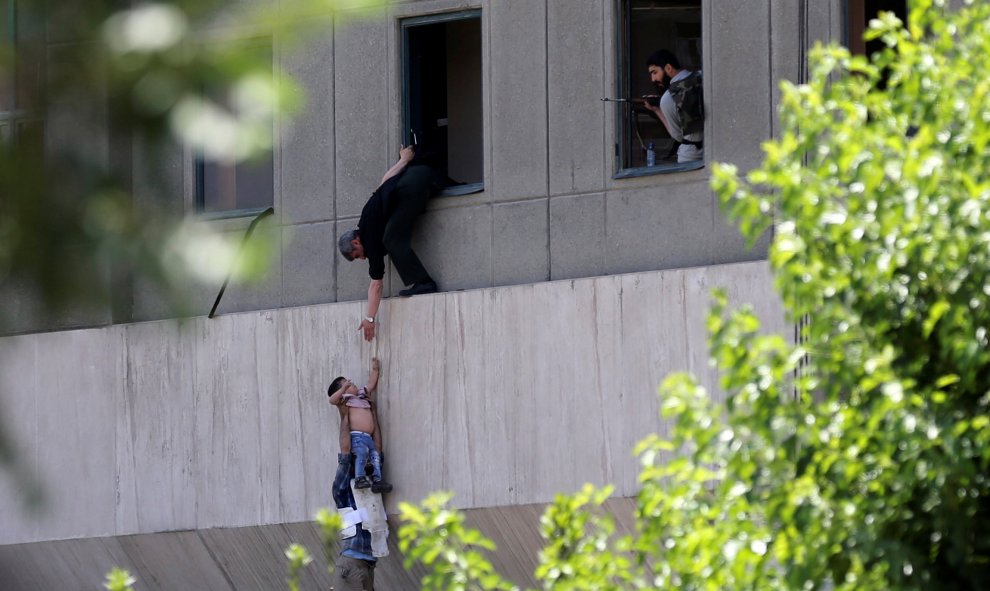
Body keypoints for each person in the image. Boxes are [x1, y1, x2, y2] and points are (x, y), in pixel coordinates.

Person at [338, 145, 444, 342]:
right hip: (417, 175)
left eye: (357, 254)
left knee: (391, 239)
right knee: (390, 234)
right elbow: (384, 182)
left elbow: (376, 285)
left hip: (416, 182)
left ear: (356, 241)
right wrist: (403, 160)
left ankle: (424, 283)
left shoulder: (370, 240)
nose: (362, 258)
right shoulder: (367, 218)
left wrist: (370, 318)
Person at [329, 358, 390, 591]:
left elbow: (379, 450)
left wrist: (373, 417)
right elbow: (346, 451)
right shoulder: (344, 489)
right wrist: (344, 415)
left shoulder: (372, 481)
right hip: (352, 564)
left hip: (367, 565)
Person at [328, 357, 392, 493]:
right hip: (357, 436)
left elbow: (370, 384)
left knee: (375, 456)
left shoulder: (362, 395)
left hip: (368, 436)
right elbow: (332, 400)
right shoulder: (346, 400)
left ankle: (377, 480)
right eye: (347, 385)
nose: (353, 384)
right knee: (361, 455)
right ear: (343, 392)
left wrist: (375, 370)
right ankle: (359, 478)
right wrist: (343, 389)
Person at [641, 49, 704, 163]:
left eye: (655, 72)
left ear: (668, 68)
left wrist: (657, 110)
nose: (653, 79)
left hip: (691, 156)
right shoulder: (703, 76)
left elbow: (678, 136)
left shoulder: (667, 99)